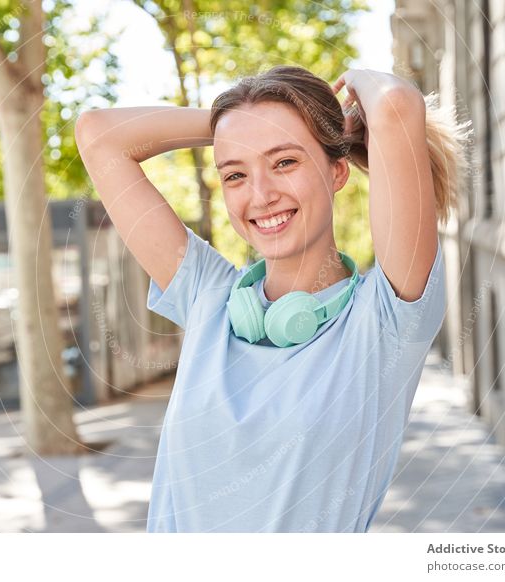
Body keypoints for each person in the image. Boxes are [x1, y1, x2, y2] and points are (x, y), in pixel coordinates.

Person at [75, 66, 470, 532]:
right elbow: (99, 136)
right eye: (235, 174)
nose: (260, 196)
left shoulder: (385, 322)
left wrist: (313, 111)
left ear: (337, 170)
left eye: (285, 162)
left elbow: (396, 106)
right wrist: (238, 123)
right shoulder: (208, 296)